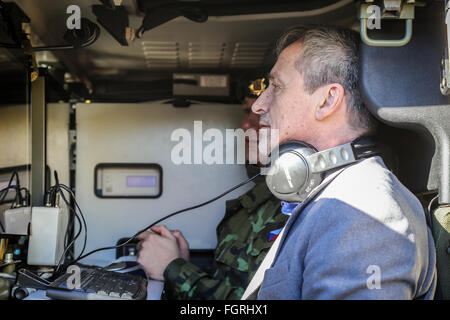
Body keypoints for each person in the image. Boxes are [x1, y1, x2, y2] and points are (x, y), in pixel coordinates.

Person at [245, 25, 436, 299]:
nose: (259, 105)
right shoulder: (339, 196)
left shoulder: (364, 212)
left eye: (276, 86)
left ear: (328, 100)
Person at [136, 78, 289, 300]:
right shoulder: (257, 203)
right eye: (248, 112)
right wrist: (179, 262)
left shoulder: (308, 207)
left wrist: (174, 268)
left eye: (263, 114)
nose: (246, 125)